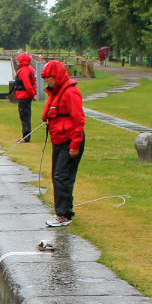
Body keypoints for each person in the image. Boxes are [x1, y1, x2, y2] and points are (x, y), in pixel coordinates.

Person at [40, 59, 86, 228]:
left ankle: (63, 215)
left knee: (62, 176)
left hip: (69, 140)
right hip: (59, 140)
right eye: (45, 79)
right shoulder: (57, 92)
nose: (47, 82)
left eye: (49, 78)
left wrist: (75, 144)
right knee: (57, 175)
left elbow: (78, 120)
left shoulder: (70, 93)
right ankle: (64, 211)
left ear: (57, 76)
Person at [13, 52, 37, 141]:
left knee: (24, 116)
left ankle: (26, 136)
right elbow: (33, 83)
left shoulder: (24, 71)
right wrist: (33, 94)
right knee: (26, 115)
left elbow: (27, 85)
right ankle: (26, 135)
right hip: (26, 96)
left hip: (24, 96)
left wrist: (32, 94)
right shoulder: (30, 69)